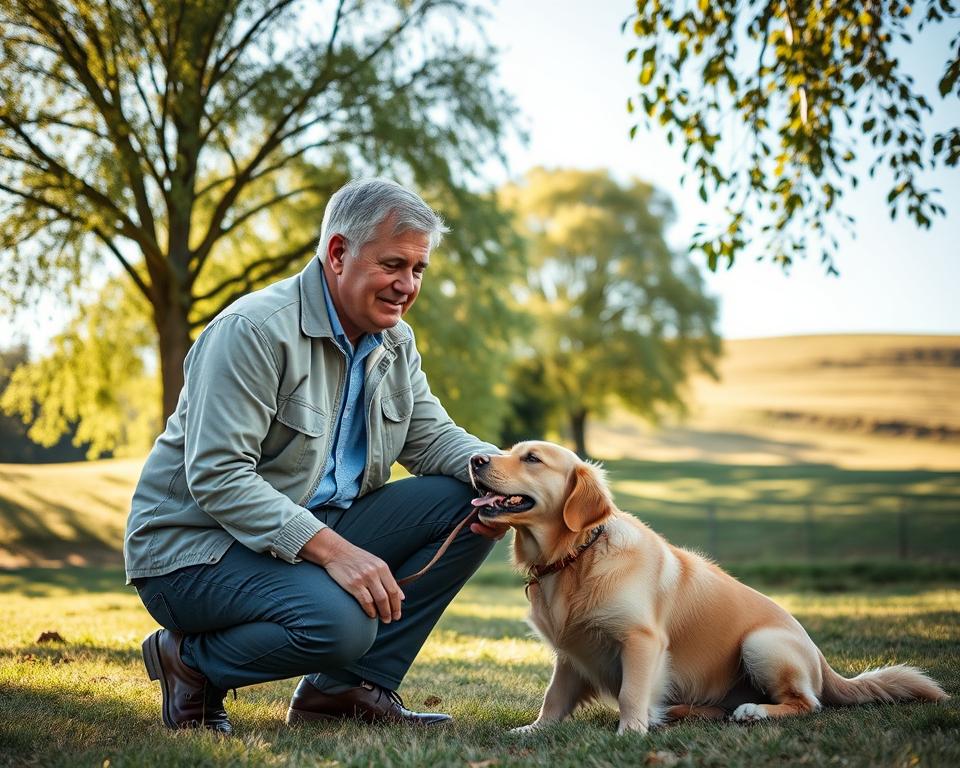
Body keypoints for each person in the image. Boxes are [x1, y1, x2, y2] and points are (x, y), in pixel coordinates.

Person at [124, 178, 506, 735]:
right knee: (340, 624)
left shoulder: (395, 344)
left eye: (418, 270)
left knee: (468, 501)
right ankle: (191, 665)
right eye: (393, 264)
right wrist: (335, 553)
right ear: (337, 253)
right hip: (192, 553)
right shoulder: (252, 330)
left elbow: (435, 439)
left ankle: (346, 689)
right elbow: (218, 477)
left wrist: (526, 480)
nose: (406, 285)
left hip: (309, 536)